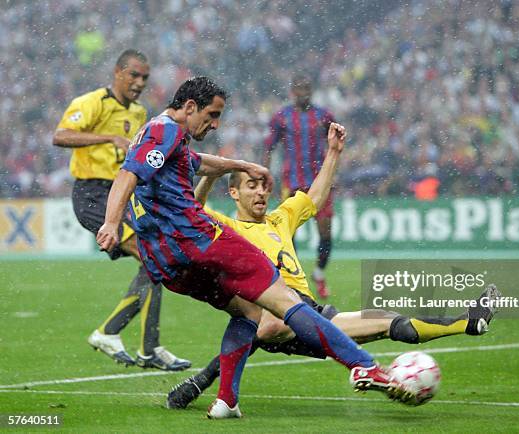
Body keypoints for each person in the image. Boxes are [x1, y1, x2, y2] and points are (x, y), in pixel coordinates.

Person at [96, 76, 414, 419]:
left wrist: (243, 165)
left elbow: (197, 162)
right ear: (189, 107)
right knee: (284, 298)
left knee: (248, 312)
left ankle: (227, 402)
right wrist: (111, 222)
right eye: (212, 115)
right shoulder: (166, 130)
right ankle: (362, 364)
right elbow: (128, 175)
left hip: (166, 263)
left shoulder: (160, 136)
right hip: (198, 238)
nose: (215, 124)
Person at [166, 123, 501, 409]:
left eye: (264, 187)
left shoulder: (279, 219)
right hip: (272, 311)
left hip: (309, 312)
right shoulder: (227, 226)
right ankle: (205, 381)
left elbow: (313, 198)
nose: (260, 193)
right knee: (269, 326)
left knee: (384, 320)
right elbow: (192, 210)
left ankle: (465, 324)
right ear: (235, 194)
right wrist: (212, 173)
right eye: (251, 187)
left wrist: (334, 153)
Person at [53, 49, 190, 371]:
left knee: (157, 259)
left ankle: (116, 335)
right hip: (92, 195)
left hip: (121, 194)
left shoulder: (141, 113)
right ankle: (143, 345)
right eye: (134, 75)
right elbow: (60, 136)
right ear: (117, 72)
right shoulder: (93, 102)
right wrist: (108, 138)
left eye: (144, 77)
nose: (139, 82)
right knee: (151, 257)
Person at [263, 73, 336, 298]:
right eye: (299, 88)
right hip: (292, 183)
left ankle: (319, 273)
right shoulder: (281, 117)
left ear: (311, 90)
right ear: (293, 91)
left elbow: (336, 143)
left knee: (325, 232)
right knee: (287, 233)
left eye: (307, 88)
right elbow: (269, 147)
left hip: (319, 183)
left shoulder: (323, 116)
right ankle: (291, 278)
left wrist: (334, 170)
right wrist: (264, 176)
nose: (303, 92)